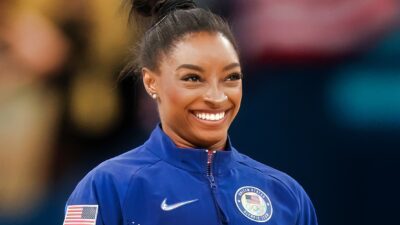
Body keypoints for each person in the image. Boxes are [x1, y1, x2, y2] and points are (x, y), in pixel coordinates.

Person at [63, 0, 318, 224]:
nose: (217, 97)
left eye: (231, 77)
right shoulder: (106, 186)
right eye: (193, 78)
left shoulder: (286, 194)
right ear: (152, 82)